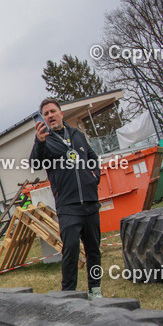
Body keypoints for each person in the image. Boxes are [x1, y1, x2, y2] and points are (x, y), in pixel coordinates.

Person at [29, 97, 103, 297]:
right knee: (70, 249)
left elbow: (92, 157)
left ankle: (95, 290)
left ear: (61, 113)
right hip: (68, 206)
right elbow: (35, 164)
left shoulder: (78, 135)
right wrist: (39, 142)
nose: (50, 116)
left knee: (94, 250)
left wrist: (95, 176)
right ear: (43, 119)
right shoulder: (46, 141)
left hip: (90, 202)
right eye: (46, 114)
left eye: (53, 111)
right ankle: (68, 294)